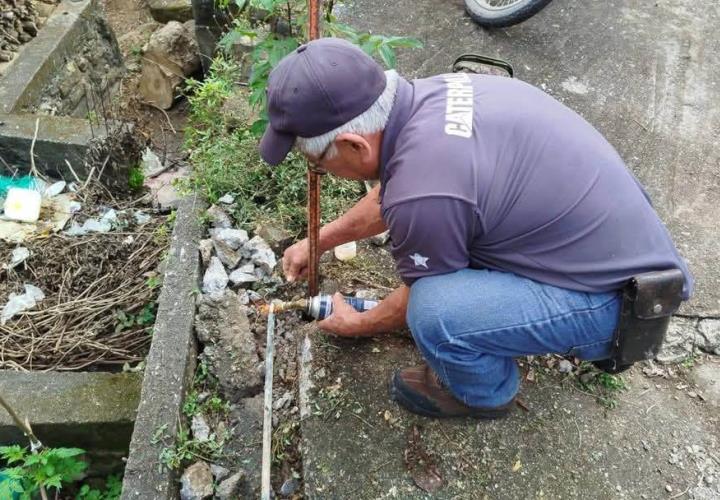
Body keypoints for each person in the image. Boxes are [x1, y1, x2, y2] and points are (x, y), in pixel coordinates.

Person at [258, 38, 693, 419]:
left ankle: (485, 395)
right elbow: (394, 193)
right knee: (448, 267)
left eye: (317, 162)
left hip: (623, 305)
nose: (319, 170)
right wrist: (318, 242)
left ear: (355, 144)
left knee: (433, 311)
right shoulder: (430, 98)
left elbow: (414, 282)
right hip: (621, 249)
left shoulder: (424, 189)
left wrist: (361, 323)